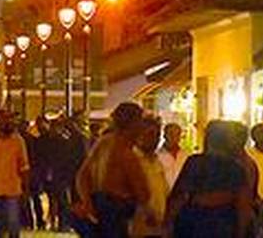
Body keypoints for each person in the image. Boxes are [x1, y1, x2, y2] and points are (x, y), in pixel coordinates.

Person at [164, 120, 253, 237]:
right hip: (223, 225)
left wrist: (168, 223)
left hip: (193, 225)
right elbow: (243, 206)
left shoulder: (195, 163)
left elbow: (179, 196)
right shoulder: (236, 168)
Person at [74, 102, 150, 237]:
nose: (143, 127)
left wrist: (88, 202)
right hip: (116, 214)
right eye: (141, 122)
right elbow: (143, 193)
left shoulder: (104, 142)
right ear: (133, 124)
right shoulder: (126, 153)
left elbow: (82, 176)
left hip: (99, 206)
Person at [131, 116, 169, 238]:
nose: (154, 139)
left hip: (159, 226)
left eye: (157, 135)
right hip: (138, 226)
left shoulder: (157, 161)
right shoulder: (132, 160)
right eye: (150, 134)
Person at [158, 123, 188, 189]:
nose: (173, 137)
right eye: (171, 134)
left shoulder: (185, 156)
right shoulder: (157, 156)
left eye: (177, 134)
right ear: (165, 135)